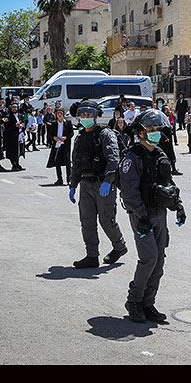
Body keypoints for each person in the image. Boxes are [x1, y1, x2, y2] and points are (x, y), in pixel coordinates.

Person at [118, 108, 186, 323]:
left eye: (158, 128)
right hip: (142, 216)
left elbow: (169, 183)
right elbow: (129, 192)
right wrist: (142, 216)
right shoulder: (132, 157)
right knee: (149, 259)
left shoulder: (159, 154)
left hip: (160, 214)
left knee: (159, 262)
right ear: (140, 133)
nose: (156, 132)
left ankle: (148, 303)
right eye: (151, 129)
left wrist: (179, 205)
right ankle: (135, 301)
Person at [68, 100, 127, 268]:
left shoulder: (105, 134)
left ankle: (119, 246)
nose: (86, 117)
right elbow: (76, 163)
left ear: (96, 116)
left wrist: (108, 181)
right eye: (83, 115)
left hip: (103, 184)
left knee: (106, 220)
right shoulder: (79, 138)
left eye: (89, 114)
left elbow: (113, 159)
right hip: (85, 184)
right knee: (87, 221)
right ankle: (91, 255)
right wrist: (73, 185)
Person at [47, 108, 74, 185]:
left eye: (61, 113)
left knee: (68, 162)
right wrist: (54, 138)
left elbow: (71, 133)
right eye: (58, 113)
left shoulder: (68, 123)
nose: (59, 114)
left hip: (65, 145)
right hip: (57, 145)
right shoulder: (54, 123)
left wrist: (65, 138)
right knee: (57, 163)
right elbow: (51, 134)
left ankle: (69, 179)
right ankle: (59, 179)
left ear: (63, 114)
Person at [4, 103, 25, 171]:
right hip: (12, 137)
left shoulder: (20, 115)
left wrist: (22, 125)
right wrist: (15, 126)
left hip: (20, 135)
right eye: (13, 107)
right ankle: (13, 164)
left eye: (15, 107)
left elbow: (24, 122)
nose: (14, 108)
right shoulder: (8, 116)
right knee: (12, 151)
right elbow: (6, 128)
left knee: (19, 150)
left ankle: (17, 164)